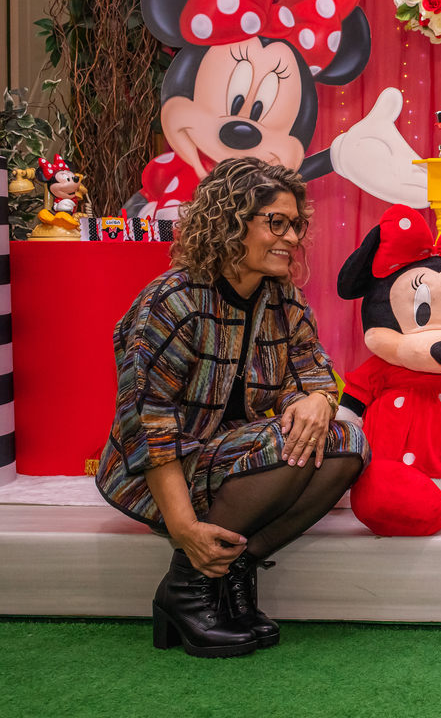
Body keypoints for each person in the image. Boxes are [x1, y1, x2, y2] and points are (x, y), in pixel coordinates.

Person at [95, 158, 369, 658]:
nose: (292, 238)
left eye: (296, 225)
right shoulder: (172, 301)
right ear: (230, 223)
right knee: (284, 441)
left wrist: (317, 398)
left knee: (348, 442)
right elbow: (149, 426)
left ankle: (232, 569)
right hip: (160, 475)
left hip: (237, 460)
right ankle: (187, 586)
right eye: (276, 223)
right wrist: (185, 530)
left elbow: (314, 374)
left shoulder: (284, 300)